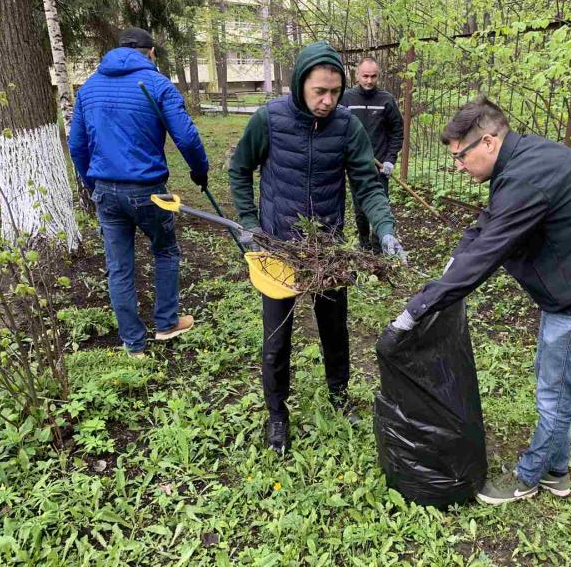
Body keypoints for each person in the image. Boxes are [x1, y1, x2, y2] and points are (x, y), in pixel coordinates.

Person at [380, 96, 571, 504]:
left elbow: (488, 253)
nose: (457, 165)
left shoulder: (527, 179)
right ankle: (557, 473)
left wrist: (415, 311)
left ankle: (526, 480)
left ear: (489, 143)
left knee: (554, 395)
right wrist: (453, 262)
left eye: (460, 156)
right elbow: (487, 225)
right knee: (555, 384)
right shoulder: (523, 162)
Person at [229, 41, 406, 454]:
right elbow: (240, 170)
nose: (327, 101)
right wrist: (251, 225)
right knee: (276, 338)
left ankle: (339, 396)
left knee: (334, 328)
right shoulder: (269, 120)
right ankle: (277, 415)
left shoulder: (346, 127)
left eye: (334, 92)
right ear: (299, 85)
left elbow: (367, 184)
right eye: (319, 92)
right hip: (278, 249)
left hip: (327, 248)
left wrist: (385, 230)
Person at [69, 27, 209, 357]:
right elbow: (186, 138)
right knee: (165, 250)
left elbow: (77, 145)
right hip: (147, 190)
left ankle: (133, 344)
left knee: (119, 266)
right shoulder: (156, 85)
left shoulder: (88, 88)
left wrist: (92, 184)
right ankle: (166, 323)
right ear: (149, 53)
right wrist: (199, 171)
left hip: (106, 190)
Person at [340, 57, 404, 252]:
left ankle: (379, 246)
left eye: (373, 76)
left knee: (380, 204)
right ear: (357, 75)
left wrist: (390, 160)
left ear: (378, 76)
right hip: (355, 164)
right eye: (365, 76)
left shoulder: (385, 100)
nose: (369, 81)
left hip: (379, 166)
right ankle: (364, 243)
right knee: (360, 207)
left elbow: (397, 131)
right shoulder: (346, 100)